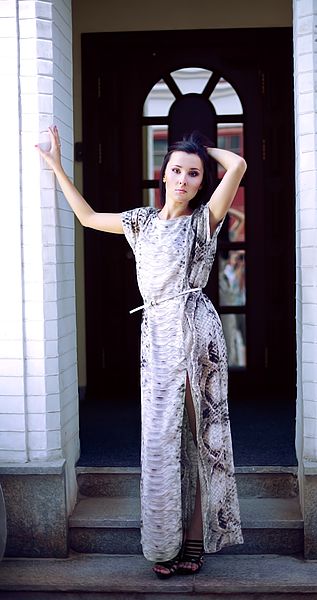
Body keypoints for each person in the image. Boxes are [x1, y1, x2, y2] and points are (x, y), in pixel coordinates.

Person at [36, 126, 247, 578]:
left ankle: (195, 539)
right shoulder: (141, 221)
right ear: (162, 173)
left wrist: (203, 149)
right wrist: (55, 164)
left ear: (200, 182)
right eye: (176, 169)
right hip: (156, 335)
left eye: (193, 174)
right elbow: (89, 217)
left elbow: (239, 165)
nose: (183, 179)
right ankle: (163, 544)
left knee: (199, 441)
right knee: (159, 445)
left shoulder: (203, 221)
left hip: (194, 332)